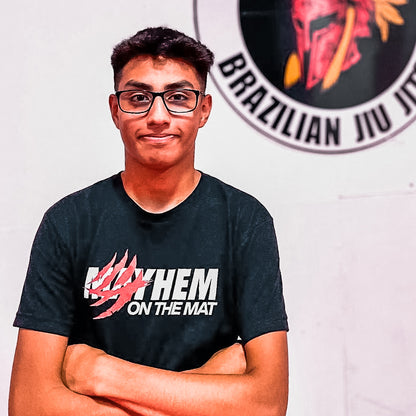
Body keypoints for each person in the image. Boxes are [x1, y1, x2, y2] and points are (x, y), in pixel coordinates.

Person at [9, 27, 289, 416]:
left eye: (178, 97)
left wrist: (101, 373)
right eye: (138, 98)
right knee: (235, 364)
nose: (158, 116)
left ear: (203, 109)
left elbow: (267, 405)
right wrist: (210, 389)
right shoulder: (68, 222)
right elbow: (29, 404)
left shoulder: (244, 220)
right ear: (115, 109)